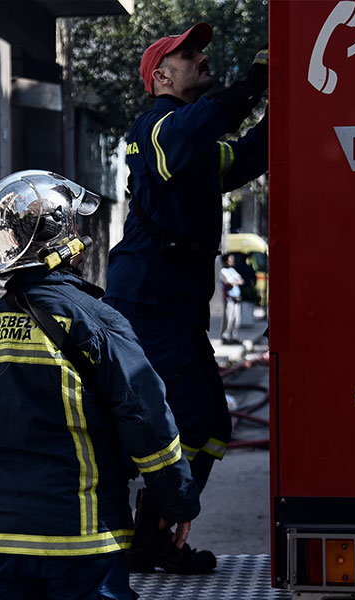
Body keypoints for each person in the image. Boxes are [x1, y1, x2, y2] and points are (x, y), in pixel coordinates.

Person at [0, 171, 200, 599]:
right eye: (73, 224)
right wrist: (177, 499)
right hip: (84, 547)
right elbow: (145, 418)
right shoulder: (94, 319)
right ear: (57, 238)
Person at [102, 23, 267, 573]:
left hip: (173, 306)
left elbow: (242, 158)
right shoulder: (157, 129)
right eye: (188, 54)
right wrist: (256, 81)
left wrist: (289, 99)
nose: (200, 58)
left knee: (211, 428)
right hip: (147, 303)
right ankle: (146, 535)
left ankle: (153, 529)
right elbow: (199, 128)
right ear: (161, 77)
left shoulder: (191, 145)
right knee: (191, 422)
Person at [219, 254, 244, 344]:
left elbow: (241, 280)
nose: (232, 262)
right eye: (230, 260)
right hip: (229, 298)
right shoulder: (223, 271)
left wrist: (235, 282)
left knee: (237, 319)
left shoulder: (232, 270)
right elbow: (229, 283)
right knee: (229, 319)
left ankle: (234, 336)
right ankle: (226, 337)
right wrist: (236, 282)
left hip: (237, 298)